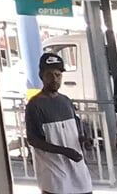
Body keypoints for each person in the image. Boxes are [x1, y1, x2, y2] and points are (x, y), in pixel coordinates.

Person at [26, 50, 92, 194]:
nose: (54, 79)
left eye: (58, 75)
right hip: (53, 173)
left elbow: (75, 129)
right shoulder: (35, 105)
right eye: (49, 75)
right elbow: (33, 140)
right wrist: (64, 151)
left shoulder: (66, 101)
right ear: (41, 76)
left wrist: (85, 140)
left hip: (77, 171)